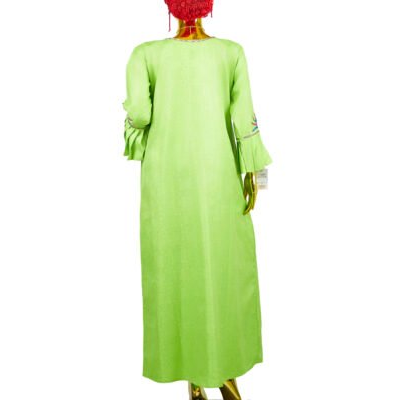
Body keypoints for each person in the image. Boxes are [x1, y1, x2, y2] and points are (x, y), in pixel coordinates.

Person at [122, 1, 273, 398]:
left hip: (165, 179)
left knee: (174, 267)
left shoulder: (146, 55)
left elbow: (139, 114)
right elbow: (244, 120)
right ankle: (224, 373)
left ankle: (193, 377)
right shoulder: (231, 53)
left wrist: (133, 122)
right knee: (223, 267)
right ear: (208, 7)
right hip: (217, 175)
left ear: (171, 8)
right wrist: (257, 175)